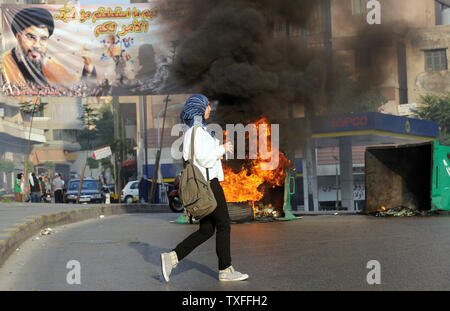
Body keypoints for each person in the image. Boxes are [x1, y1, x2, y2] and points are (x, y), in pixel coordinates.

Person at [160, 94, 249, 282]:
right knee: (224, 224)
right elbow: (206, 159)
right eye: (207, 105)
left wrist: (219, 149)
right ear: (199, 108)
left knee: (207, 230)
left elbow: (202, 157)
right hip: (209, 185)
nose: (210, 109)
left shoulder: (196, 131)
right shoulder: (197, 132)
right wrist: (223, 148)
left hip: (204, 184)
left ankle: (172, 257)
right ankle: (225, 269)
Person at [1, 7, 96, 93]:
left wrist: (88, 66)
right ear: (18, 37)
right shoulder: (4, 65)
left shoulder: (51, 66)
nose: (37, 45)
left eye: (43, 39)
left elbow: (75, 86)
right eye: (30, 37)